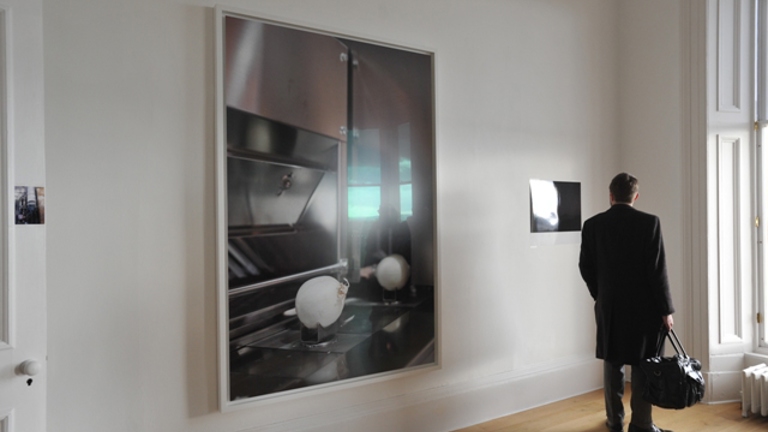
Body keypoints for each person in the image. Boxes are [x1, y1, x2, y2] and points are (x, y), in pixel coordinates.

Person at [579, 173, 675, 432]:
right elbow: (658, 272)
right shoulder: (649, 223)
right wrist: (666, 310)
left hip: (610, 307)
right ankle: (642, 424)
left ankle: (614, 421)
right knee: (644, 365)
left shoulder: (592, 225)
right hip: (645, 309)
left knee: (613, 363)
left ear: (610, 196)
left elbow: (585, 267)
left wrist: (600, 294)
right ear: (636, 196)